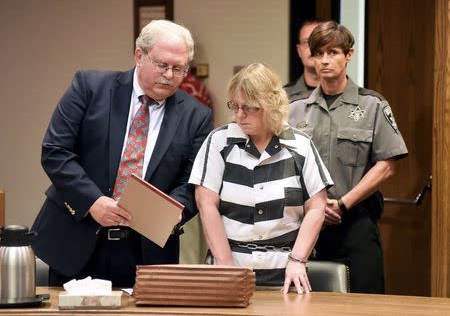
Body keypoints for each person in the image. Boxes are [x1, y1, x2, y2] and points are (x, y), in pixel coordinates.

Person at [31, 20, 213, 287]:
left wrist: (175, 211)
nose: (170, 75)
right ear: (139, 55)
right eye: (162, 65)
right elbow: (55, 152)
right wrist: (93, 201)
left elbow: (191, 182)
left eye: (179, 69)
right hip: (78, 237)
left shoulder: (196, 115)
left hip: (146, 251)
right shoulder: (90, 87)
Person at [189, 63, 333, 294]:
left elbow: (316, 207)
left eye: (249, 108)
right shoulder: (219, 141)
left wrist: (298, 260)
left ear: (271, 105)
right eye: (235, 106)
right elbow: (206, 204)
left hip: (286, 272)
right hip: (231, 267)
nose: (239, 115)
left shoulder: (300, 144)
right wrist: (225, 263)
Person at [288, 21, 408, 294]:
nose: (324, 61)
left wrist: (342, 204)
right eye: (318, 54)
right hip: (306, 224)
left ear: (349, 55)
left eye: (333, 53)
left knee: (367, 302)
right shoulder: (295, 111)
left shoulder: (372, 105)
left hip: (355, 222)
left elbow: (386, 166)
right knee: (306, 303)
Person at [284, 19, 324, 102]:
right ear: (299, 51)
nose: (312, 48)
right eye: (306, 42)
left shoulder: (347, 94)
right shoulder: (282, 97)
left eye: (318, 41)